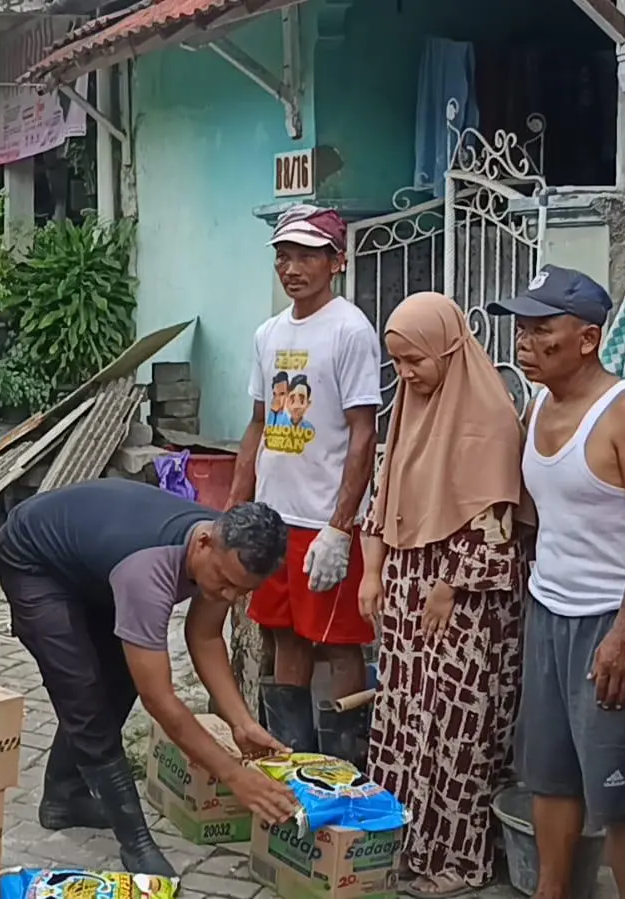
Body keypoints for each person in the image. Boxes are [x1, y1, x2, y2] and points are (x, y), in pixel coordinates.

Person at [0, 479, 300, 875]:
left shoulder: (223, 551)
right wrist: (232, 775)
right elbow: (159, 699)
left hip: (93, 561)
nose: (225, 596)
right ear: (204, 542)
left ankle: (63, 797)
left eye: (239, 591)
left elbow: (205, 637)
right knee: (84, 695)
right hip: (33, 558)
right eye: (223, 582)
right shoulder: (148, 571)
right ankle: (135, 841)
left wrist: (240, 722)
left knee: (119, 679)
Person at [487, 265, 625, 899]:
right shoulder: (538, 402)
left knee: (619, 789)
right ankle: (551, 890)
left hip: (607, 619)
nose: (525, 343)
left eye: (543, 330)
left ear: (588, 339)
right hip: (548, 610)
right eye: (521, 328)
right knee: (548, 773)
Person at [359, 292, 527, 897]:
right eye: (397, 363)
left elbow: (496, 527)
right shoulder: (406, 411)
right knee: (406, 723)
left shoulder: (490, 418)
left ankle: (459, 861)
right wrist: (372, 572)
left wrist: (449, 586)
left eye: (415, 362)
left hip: (463, 607)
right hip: (408, 601)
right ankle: (407, 844)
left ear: (448, 351)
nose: (405, 375)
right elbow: (381, 499)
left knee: (455, 732)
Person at [226, 204, 382, 764]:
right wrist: (235, 507)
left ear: (336, 261)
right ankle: (292, 761)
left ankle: (346, 768)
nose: (292, 268)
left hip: (322, 520)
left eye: (307, 255)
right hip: (274, 518)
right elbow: (259, 424)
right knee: (282, 634)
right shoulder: (269, 334)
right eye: (283, 256)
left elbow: (363, 433)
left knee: (339, 642)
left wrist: (341, 528)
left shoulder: (350, 330)